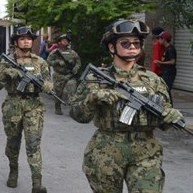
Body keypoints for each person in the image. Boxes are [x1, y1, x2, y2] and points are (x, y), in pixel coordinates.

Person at [70, 19, 184, 193]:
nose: (132, 47)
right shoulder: (96, 79)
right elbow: (78, 115)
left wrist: (172, 116)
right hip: (106, 151)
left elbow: (163, 119)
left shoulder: (152, 80)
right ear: (111, 47)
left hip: (146, 152)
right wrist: (92, 99)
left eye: (136, 43)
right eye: (125, 43)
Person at [0, 26, 53, 193]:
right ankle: (13, 171)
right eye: (22, 39)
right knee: (13, 143)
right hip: (13, 105)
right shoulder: (6, 62)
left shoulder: (40, 62)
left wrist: (45, 86)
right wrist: (8, 73)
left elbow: (49, 82)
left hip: (34, 106)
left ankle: (37, 183)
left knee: (33, 144)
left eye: (29, 39)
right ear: (15, 42)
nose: (26, 41)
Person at [46, 34, 81, 115]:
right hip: (59, 75)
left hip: (70, 76)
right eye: (63, 40)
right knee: (58, 93)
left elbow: (78, 62)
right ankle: (57, 108)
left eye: (67, 40)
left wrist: (75, 69)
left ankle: (73, 110)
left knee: (71, 91)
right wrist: (57, 62)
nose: (65, 42)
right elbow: (47, 62)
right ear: (59, 42)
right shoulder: (55, 52)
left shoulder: (72, 53)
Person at [155, 30, 177, 105]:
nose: (159, 40)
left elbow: (173, 61)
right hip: (165, 71)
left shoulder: (170, 49)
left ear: (164, 39)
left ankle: (170, 106)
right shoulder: (166, 48)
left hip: (169, 73)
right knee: (164, 89)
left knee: (166, 89)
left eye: (160, 39)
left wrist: (161, 62)